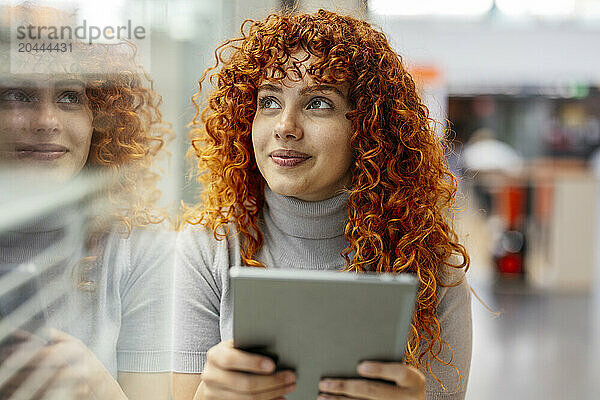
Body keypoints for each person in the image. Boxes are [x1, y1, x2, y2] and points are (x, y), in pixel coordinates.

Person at [173, 9, 471, 400]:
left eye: (318, 103)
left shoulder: (433, 266)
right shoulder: (207, 246)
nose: (285, 126)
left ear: (368, 128)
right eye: (269, 101)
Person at [0, 5, 173, 399]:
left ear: (99, 118)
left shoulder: (139, 245)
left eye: (68, 96)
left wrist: (94, 386)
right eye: (18, 95)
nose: (46, 121)